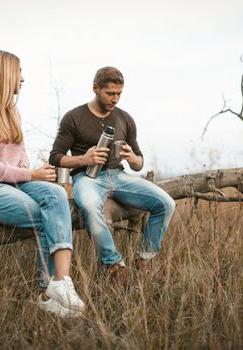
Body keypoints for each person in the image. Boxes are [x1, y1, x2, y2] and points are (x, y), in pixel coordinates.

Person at [0, 50, 85, 318]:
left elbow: (21, 155)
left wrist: (35, 175)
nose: (23, 79)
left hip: (13, 183)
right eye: (19, 72)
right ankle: (46, 291)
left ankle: (61, 283)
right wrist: (31, 176)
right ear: (5, 74)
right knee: (40, 214)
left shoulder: (11, 110)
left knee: (55, 195)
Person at [49, 66, 176, 279]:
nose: (115, 99)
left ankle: (144, 260)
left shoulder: (125, 118)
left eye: (119, 94)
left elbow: (139, 163)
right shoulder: (74, 117)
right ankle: (114, 266)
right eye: (110, 93)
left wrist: (132, 157)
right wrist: (84, 159)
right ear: (95, 88)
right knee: (90, 206)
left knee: (166, 204)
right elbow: (55, 157)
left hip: (119, 176)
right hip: (86, 178)